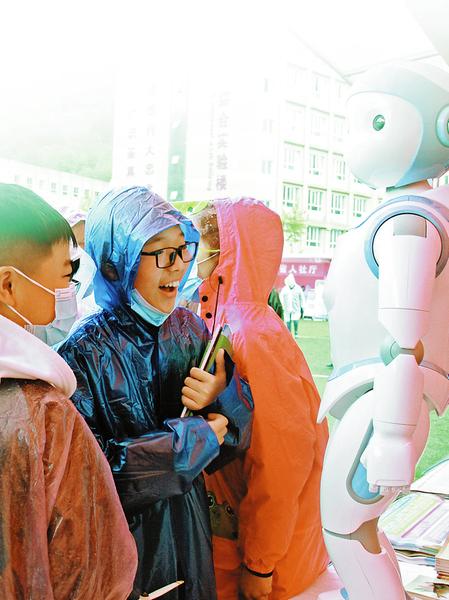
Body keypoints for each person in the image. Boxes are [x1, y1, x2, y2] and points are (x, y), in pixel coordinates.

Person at [58, 186, 253, 600]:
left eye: (183, 250)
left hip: (190, 533)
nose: (179, 265)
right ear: (116, 263)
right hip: (129, 549)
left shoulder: (189, 330)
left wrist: (222, 396)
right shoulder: (84, 353)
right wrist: (190, 442)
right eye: (163, 253)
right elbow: (89, 477)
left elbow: (235, 437)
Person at [0, 184, 137, 599]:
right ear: (8, 285)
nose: (70, 293)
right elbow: (93, 569)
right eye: (65, 277)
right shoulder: (43, 413)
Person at [194, 198, 329, 600]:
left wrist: (260, 563)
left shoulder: (250, 335)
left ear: (226, 250)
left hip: (259, 559)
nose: (190, 256)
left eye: (198, 244)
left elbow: (282, 459)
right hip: (237, 541)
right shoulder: (232, 320)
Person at [279, 272, 305, 337]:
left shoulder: (298, 288)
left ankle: (296, 332)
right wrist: (282, 305)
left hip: (296, 307)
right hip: (286, 307)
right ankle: (289, 333)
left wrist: (302, 306)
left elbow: (302, 298)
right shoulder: (285, 289)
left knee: (295, 319)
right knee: (288, 320)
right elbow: (281, 297)